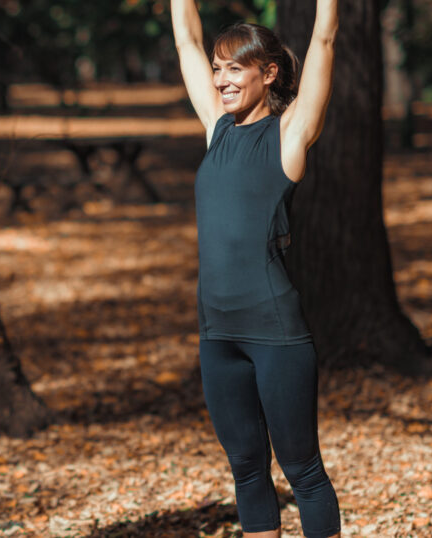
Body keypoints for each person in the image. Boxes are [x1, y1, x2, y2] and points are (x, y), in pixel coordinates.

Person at [171, 1, 341, 537]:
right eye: (217, 68)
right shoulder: (217, 130)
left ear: (268, 74)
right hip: (217, 333)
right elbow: (184, 41)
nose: (221, 79)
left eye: (235, 68)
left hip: (275, 334)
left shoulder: (289, 135)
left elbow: (324, 43)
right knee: (245, 467)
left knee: (302, 470)